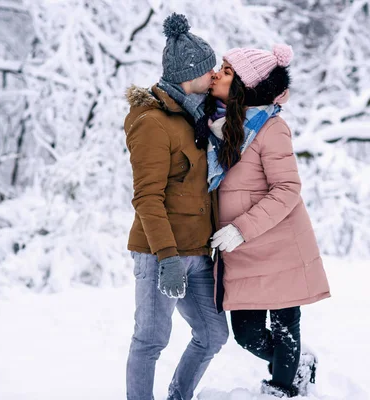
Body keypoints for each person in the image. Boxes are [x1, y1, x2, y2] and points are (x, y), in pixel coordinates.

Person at [205, 44, 331, 398]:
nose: (217, 74)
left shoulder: (271, 128)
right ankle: (297, 364)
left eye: (227, 71)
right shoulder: (219, 124)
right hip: (241, 251)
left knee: (284, 326)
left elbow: (287, 188)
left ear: (245, 86)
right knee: (246, 335)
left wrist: (241, 229)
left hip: (278, 245)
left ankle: (282, 389)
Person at [123, 13, 228, 400]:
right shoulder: (153, 122)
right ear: (189, 75)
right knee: (150, 339)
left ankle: (178, 396)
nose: (215, 75)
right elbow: (146, 197)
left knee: (213, 334)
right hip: (160, 252)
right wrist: (166, 257)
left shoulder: (195, 116)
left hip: (197, 252)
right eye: (209, 69)